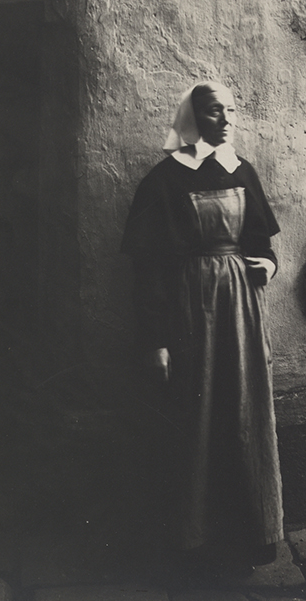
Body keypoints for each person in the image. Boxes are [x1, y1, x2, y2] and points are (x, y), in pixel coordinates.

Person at [120, 81, 284, 571]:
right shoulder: (165, 181)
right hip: (189, 308)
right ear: (194, 119)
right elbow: (147, 268)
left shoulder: (241, 170)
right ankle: (194, 542)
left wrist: (267, 266)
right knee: (197, 415)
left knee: (243, 408)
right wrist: (156, 341)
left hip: (240, 307)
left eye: (232, 109)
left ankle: (250, 538)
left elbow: (262, 241)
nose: (227, 119)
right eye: (216, 111)